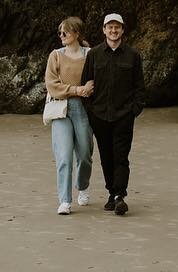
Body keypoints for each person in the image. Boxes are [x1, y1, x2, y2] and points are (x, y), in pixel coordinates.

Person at [80, 12, 145, 216]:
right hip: (99, 115)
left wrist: (134, 110)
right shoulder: (94, 54)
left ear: (122, 30)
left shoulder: (133, 55)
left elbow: (139, 87)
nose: (114, 30)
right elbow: (86, 84)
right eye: (110, 27)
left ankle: (120, 196)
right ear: (104, 30)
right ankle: (111, 193)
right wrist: (91, 110)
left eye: (117, 27)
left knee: (121, 156)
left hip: (124, 115)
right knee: (106, 157)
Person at [44, 17, 95, 215]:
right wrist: (77, 89)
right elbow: (52, 85)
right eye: (60, 33)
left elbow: (97, 78)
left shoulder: (90, 54)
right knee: (64, 156)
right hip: (61, 109)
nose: (62, 36)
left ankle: (82, 186)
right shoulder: (55, 56)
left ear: (77, 34)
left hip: (84, 109)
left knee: (85, 154)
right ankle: (65, 200)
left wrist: (90, 89)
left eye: (65, 32)